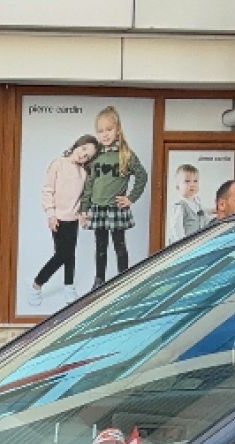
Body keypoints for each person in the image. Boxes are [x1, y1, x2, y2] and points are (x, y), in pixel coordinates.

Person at [80, 106, 148, 290]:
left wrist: (131, 198)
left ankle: (123, 278)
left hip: (115, 208)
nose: (105, 134)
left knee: (119, 244)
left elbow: (142, 176)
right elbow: (89, 185)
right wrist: (84, 209)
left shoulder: (125, 155)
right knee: (100, 245)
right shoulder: (96, 157)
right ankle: (99, 279)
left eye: (108, 130)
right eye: (100, 131)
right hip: (98, 208)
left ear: (117, 130)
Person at [31, 135, 101, 306]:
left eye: (88, 156)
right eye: (83, 149)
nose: (83, 156)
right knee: (62, 254)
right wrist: (51, 214)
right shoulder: (58, 164)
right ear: (78, 145)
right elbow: (48, 190)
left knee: (70, 254)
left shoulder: (83, 172)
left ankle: (69, 286)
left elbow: (83, 198)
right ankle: (37, 284)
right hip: (58, 218)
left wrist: (84, 215)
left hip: (73, 219)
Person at [166, 164, 208, 243]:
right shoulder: (179, 205)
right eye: (187, 181)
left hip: (197, 242)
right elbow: (176, 227)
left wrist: (212, 211)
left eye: (195, 181)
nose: (192, 184)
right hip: (185, 245)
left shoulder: (197, 202)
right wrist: (183, 243)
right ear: (178, 187)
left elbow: (201, 213)